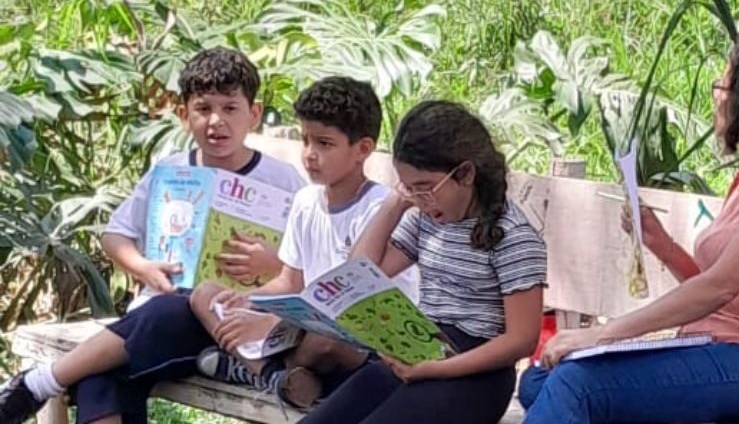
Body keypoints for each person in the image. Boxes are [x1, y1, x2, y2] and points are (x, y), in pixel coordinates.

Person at [520, 32, 739, 423]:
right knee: (538, 379)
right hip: (713, 344)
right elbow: (721, 286)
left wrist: (601, 333)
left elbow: (720, 287)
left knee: (574, 384)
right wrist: (659, 242)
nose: (717, 95)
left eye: (724, 85)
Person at [0, 47, 306, 424]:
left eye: (230, 108)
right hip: (157, 311)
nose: (216, 121)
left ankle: (37, 384)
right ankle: (36, 385)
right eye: (203, 108)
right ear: (183, 114)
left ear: (253, 114)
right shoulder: (170, 171)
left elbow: (310, 261)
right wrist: (143, 267)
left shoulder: (282, 181)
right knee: (101, 378)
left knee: (158, 319)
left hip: (230, 320)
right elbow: (116, 236)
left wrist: (272, 262)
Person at [300, 100, 547, 424]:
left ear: (466, 173)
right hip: (421, 351)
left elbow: (522, 339)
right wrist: (394, 205)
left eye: (426, 188)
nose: (420, 200)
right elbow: (359, 275)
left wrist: (438, 369)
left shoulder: (512, 237)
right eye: (410, 189)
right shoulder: (426, 219)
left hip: (477, 374)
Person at [189, 76, 420, 409]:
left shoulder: (380, 208)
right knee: (206, 296)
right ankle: (278, 378)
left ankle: (255, 371)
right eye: (305, 140)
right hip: (303, 325)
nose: (310, 154)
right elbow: (289, 281)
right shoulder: (306, 200)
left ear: (363, 149)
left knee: (325, 339)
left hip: (359, 340)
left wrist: (273, 322)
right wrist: (247, 301)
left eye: (324, 144)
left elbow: (356, 306)